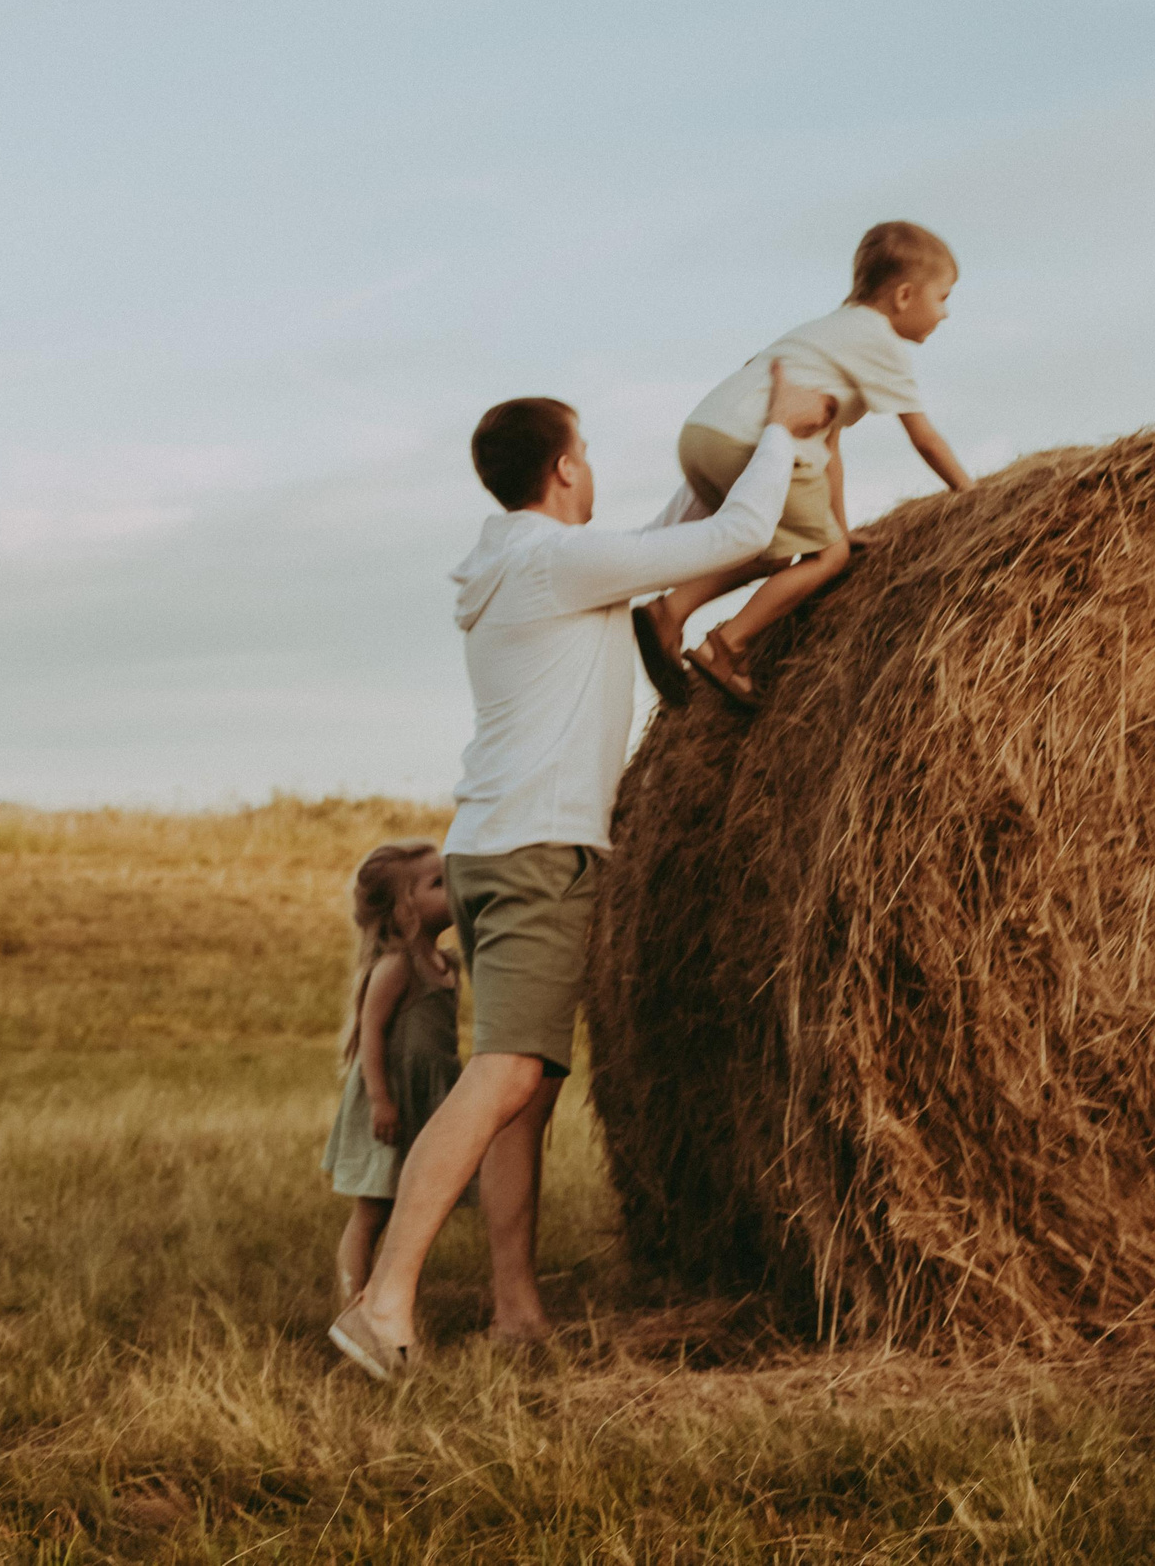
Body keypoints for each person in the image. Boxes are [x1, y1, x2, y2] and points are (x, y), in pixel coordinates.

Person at [327, 360, 835, 1382]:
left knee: (529, 1086)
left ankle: (517, 1311)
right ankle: (382, 1304)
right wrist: (780, 430)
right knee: (505, 1071)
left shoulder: (527, 559)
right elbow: (734, 538)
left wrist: (717, 455)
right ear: (564, 469)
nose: (595, 469)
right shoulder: (553, 564)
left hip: (498, 842)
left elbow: (661, 540)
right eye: (589, 454)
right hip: (532, 850)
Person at [632, 220, 975, 707]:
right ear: (904, 296)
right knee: (827, 559)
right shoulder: (879, 341)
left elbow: (829, 451)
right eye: (942, 298)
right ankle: (727, 645)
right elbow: (926, 439)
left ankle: (671, 610)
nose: (945, 314)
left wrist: (837, 524)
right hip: (755, 442)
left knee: (767, 548)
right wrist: (976, 499)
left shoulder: (829, 332)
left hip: (705, 436)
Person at [318, 838, 463, 1302]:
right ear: (404, 910)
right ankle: (351, 1300)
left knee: (410, 1204)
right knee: (372, 1210)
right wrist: (381, 1099)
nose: (454, 888)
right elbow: (371, 1034)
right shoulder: (397, 967)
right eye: (439, 883)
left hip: (427, 1100)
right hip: (394, 1102)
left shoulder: (446, 963)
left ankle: (386, 1295)